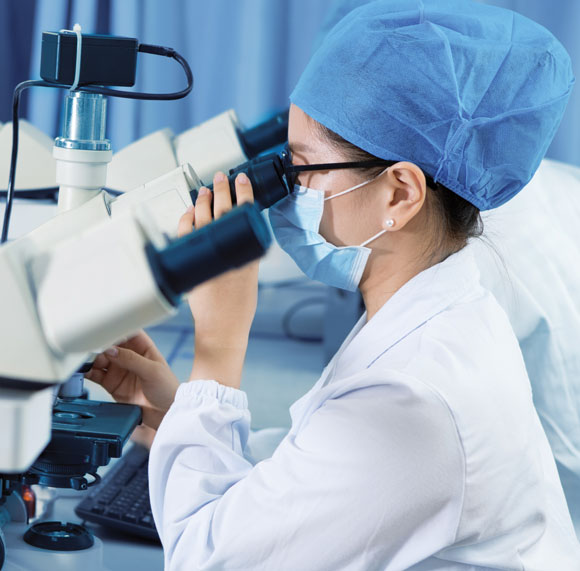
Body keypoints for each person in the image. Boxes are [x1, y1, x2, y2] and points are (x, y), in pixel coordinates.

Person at [85, 0, 580, 568]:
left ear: (400, 193)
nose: (290, 192)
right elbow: (315, 476)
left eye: (304, 169)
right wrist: (177, 410)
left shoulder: (413, 399)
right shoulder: (438, 312)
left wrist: (217, 346)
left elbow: (207, 559)